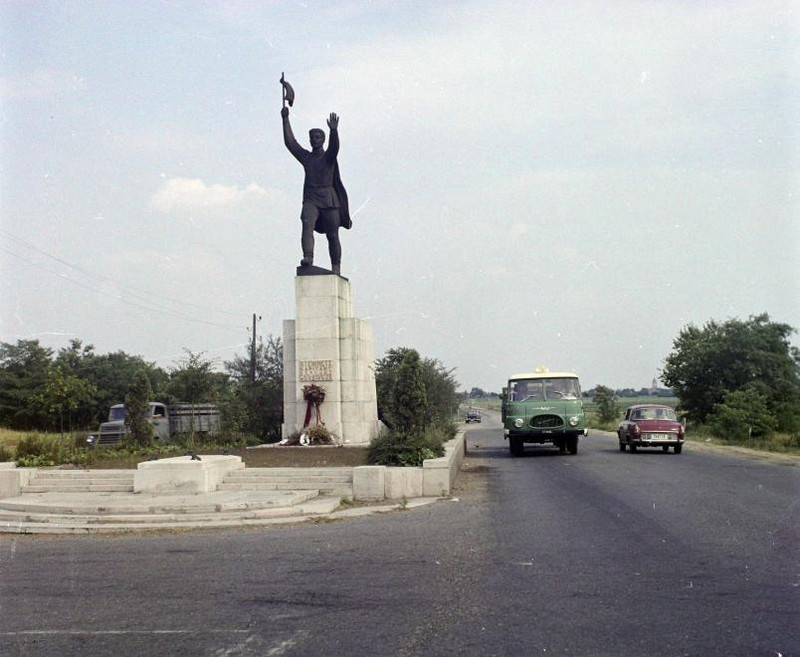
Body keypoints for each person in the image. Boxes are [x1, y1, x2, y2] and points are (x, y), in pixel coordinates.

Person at [281, 107, 351, 274]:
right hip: (311, 198)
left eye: (318, 136)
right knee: (306, 223)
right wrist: (285, 119)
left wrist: (334, 131)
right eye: (312, 137)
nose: (315, 139)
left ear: (323, 139)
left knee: (332, 235)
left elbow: (334, 148)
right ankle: (308, 257)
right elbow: (290, 143)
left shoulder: (328, 157)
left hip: (328, 199)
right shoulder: (307, 158)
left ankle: (336, 266)